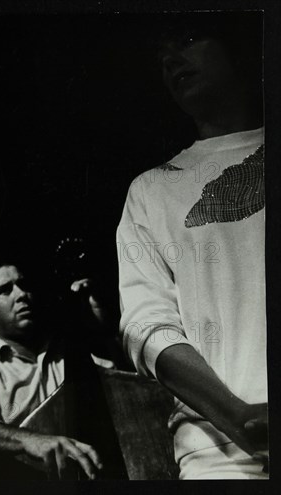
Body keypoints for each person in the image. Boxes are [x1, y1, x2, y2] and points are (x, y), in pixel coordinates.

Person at [117, 14, 267, 479]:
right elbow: (147, 325)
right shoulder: (152, 189)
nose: (170, 59)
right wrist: (240, 417)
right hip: (218, 458)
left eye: (187, 38)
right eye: (162, 56)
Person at [0, 257, 105, 481]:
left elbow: (118, 381)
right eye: (5, 291)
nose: (21, 294)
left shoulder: (68, 351)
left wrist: (99, 323)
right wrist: (30, 440)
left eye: (23, 285)